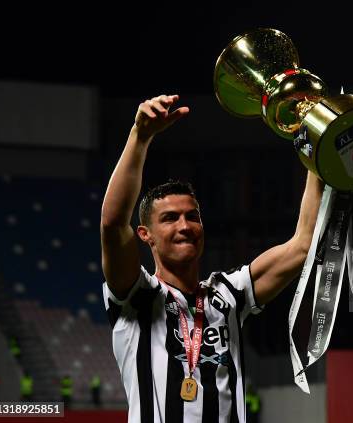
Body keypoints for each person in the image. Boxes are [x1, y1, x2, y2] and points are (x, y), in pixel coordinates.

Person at [100, 94, 323, 422]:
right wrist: (141, 136)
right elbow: (113, 222)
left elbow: (303, 246)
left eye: (193, 216)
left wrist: (315, 147)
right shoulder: (137, 297)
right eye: (170, 218)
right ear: (145, 235)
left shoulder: (228, 293)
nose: (185, 226)